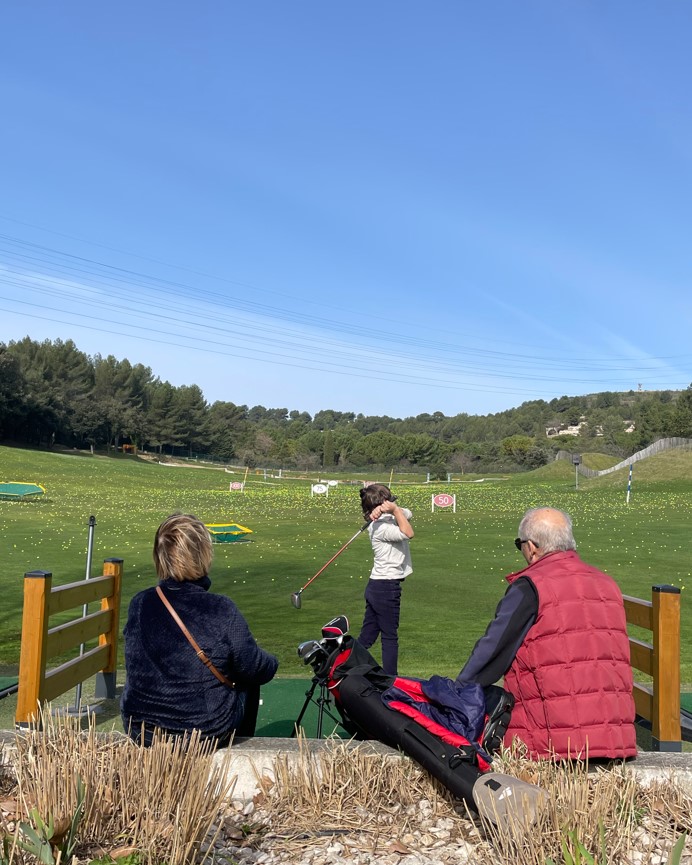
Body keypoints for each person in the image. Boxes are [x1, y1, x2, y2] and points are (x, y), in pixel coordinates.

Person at [456, 507, 636, 760]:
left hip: (554, 744)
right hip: (616, 740)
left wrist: (455, 693)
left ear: (531, 547)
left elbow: (491, 652)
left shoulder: (531, 586)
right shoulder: (607, 584)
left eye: (520, 545)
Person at [121, 513, 278, 747]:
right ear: (203, 554)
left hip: (141, 729)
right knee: (246, 680)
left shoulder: (140, 603)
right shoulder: (220, 609)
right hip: (201, 730)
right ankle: (239, 751)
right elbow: (254, 667)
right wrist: (272, 661)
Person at [357, 483, 414, 676]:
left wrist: (390, 510)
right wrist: (394, 510)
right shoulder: (381, 528)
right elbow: (408, 533)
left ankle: (346, 669)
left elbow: (409, 513)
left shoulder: (385, 519)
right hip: (386, 587)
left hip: (377, 586)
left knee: (367, 637)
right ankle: (391, 680)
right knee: (390, 637)